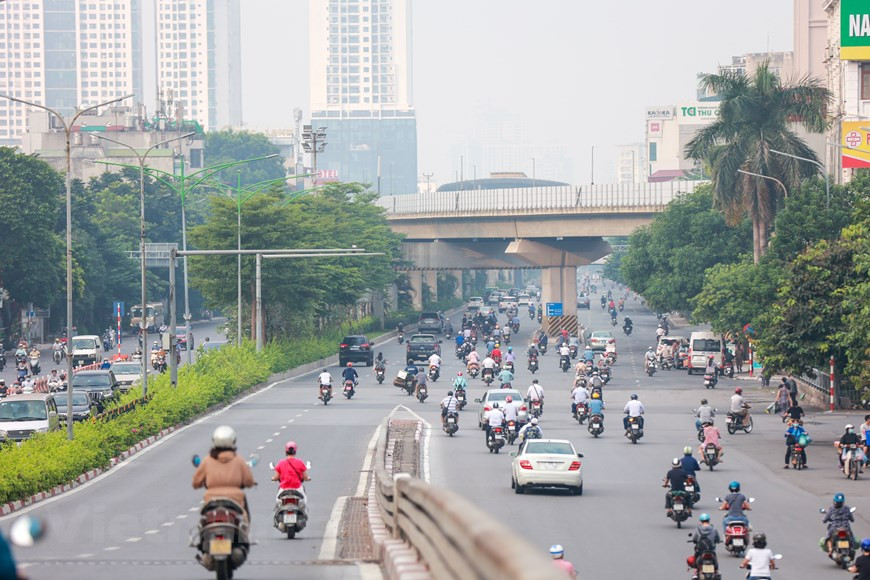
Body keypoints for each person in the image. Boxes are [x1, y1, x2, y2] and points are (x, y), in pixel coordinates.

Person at [192, 426, 256, 521]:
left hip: (211, 499)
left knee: (203, 520)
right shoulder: (238, 460)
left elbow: (196, 482)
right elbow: (249, 481)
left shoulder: (207, 460)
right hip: (235, 499)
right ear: (233, 441)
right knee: (244, 519)